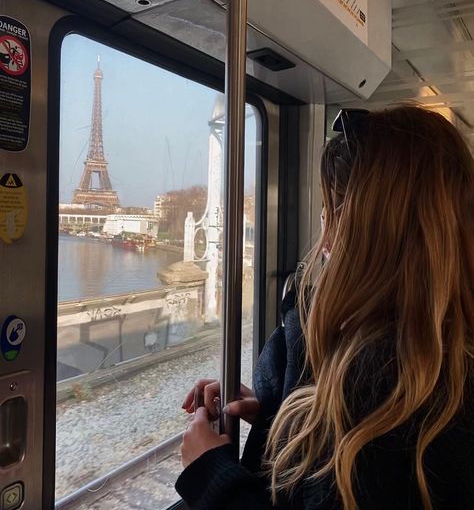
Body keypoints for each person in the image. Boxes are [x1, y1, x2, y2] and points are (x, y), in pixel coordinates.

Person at [175, 105, 474, 510]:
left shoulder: (375, 395)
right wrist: (276, 418)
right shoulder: (437, 359)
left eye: (331, 214)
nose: (324, 238)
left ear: (368, 235)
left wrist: (210, 474)